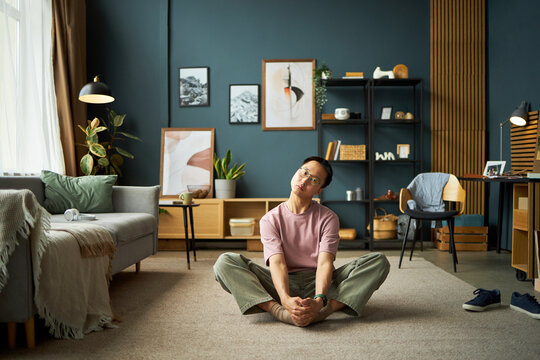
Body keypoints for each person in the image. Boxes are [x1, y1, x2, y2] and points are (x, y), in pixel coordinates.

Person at [213, 156, 390, 326]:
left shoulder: (329, 218)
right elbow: (277, 263)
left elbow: (324, 263)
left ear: (319, 189)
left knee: (378, 261)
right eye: (303, 172)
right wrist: (284, 299)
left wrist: (320, 300)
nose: (304, 180)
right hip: (281, 283)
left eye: (314, 180)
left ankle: (322, 313)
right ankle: (279, 311)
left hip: (322, 284)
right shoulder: (270, 219)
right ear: (296, 172)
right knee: (224, 262)